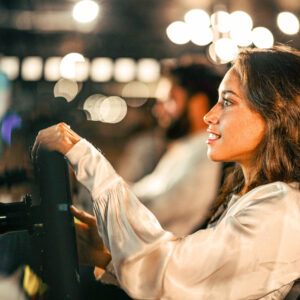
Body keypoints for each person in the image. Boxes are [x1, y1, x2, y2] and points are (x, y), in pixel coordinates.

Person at [32, 45, 300, 299]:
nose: (209, 115)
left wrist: (84, 157)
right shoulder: (261, 197)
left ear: (275, 113)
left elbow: (174, 271)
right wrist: (106, 252)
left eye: (227, 102)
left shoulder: (282, 207)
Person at [128, 62, 223, 236]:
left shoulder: (206, 155)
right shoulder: (186, 149)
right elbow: (142, 194)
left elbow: (153, 212)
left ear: (198, 104)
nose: (158, 109)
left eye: (169, 100)